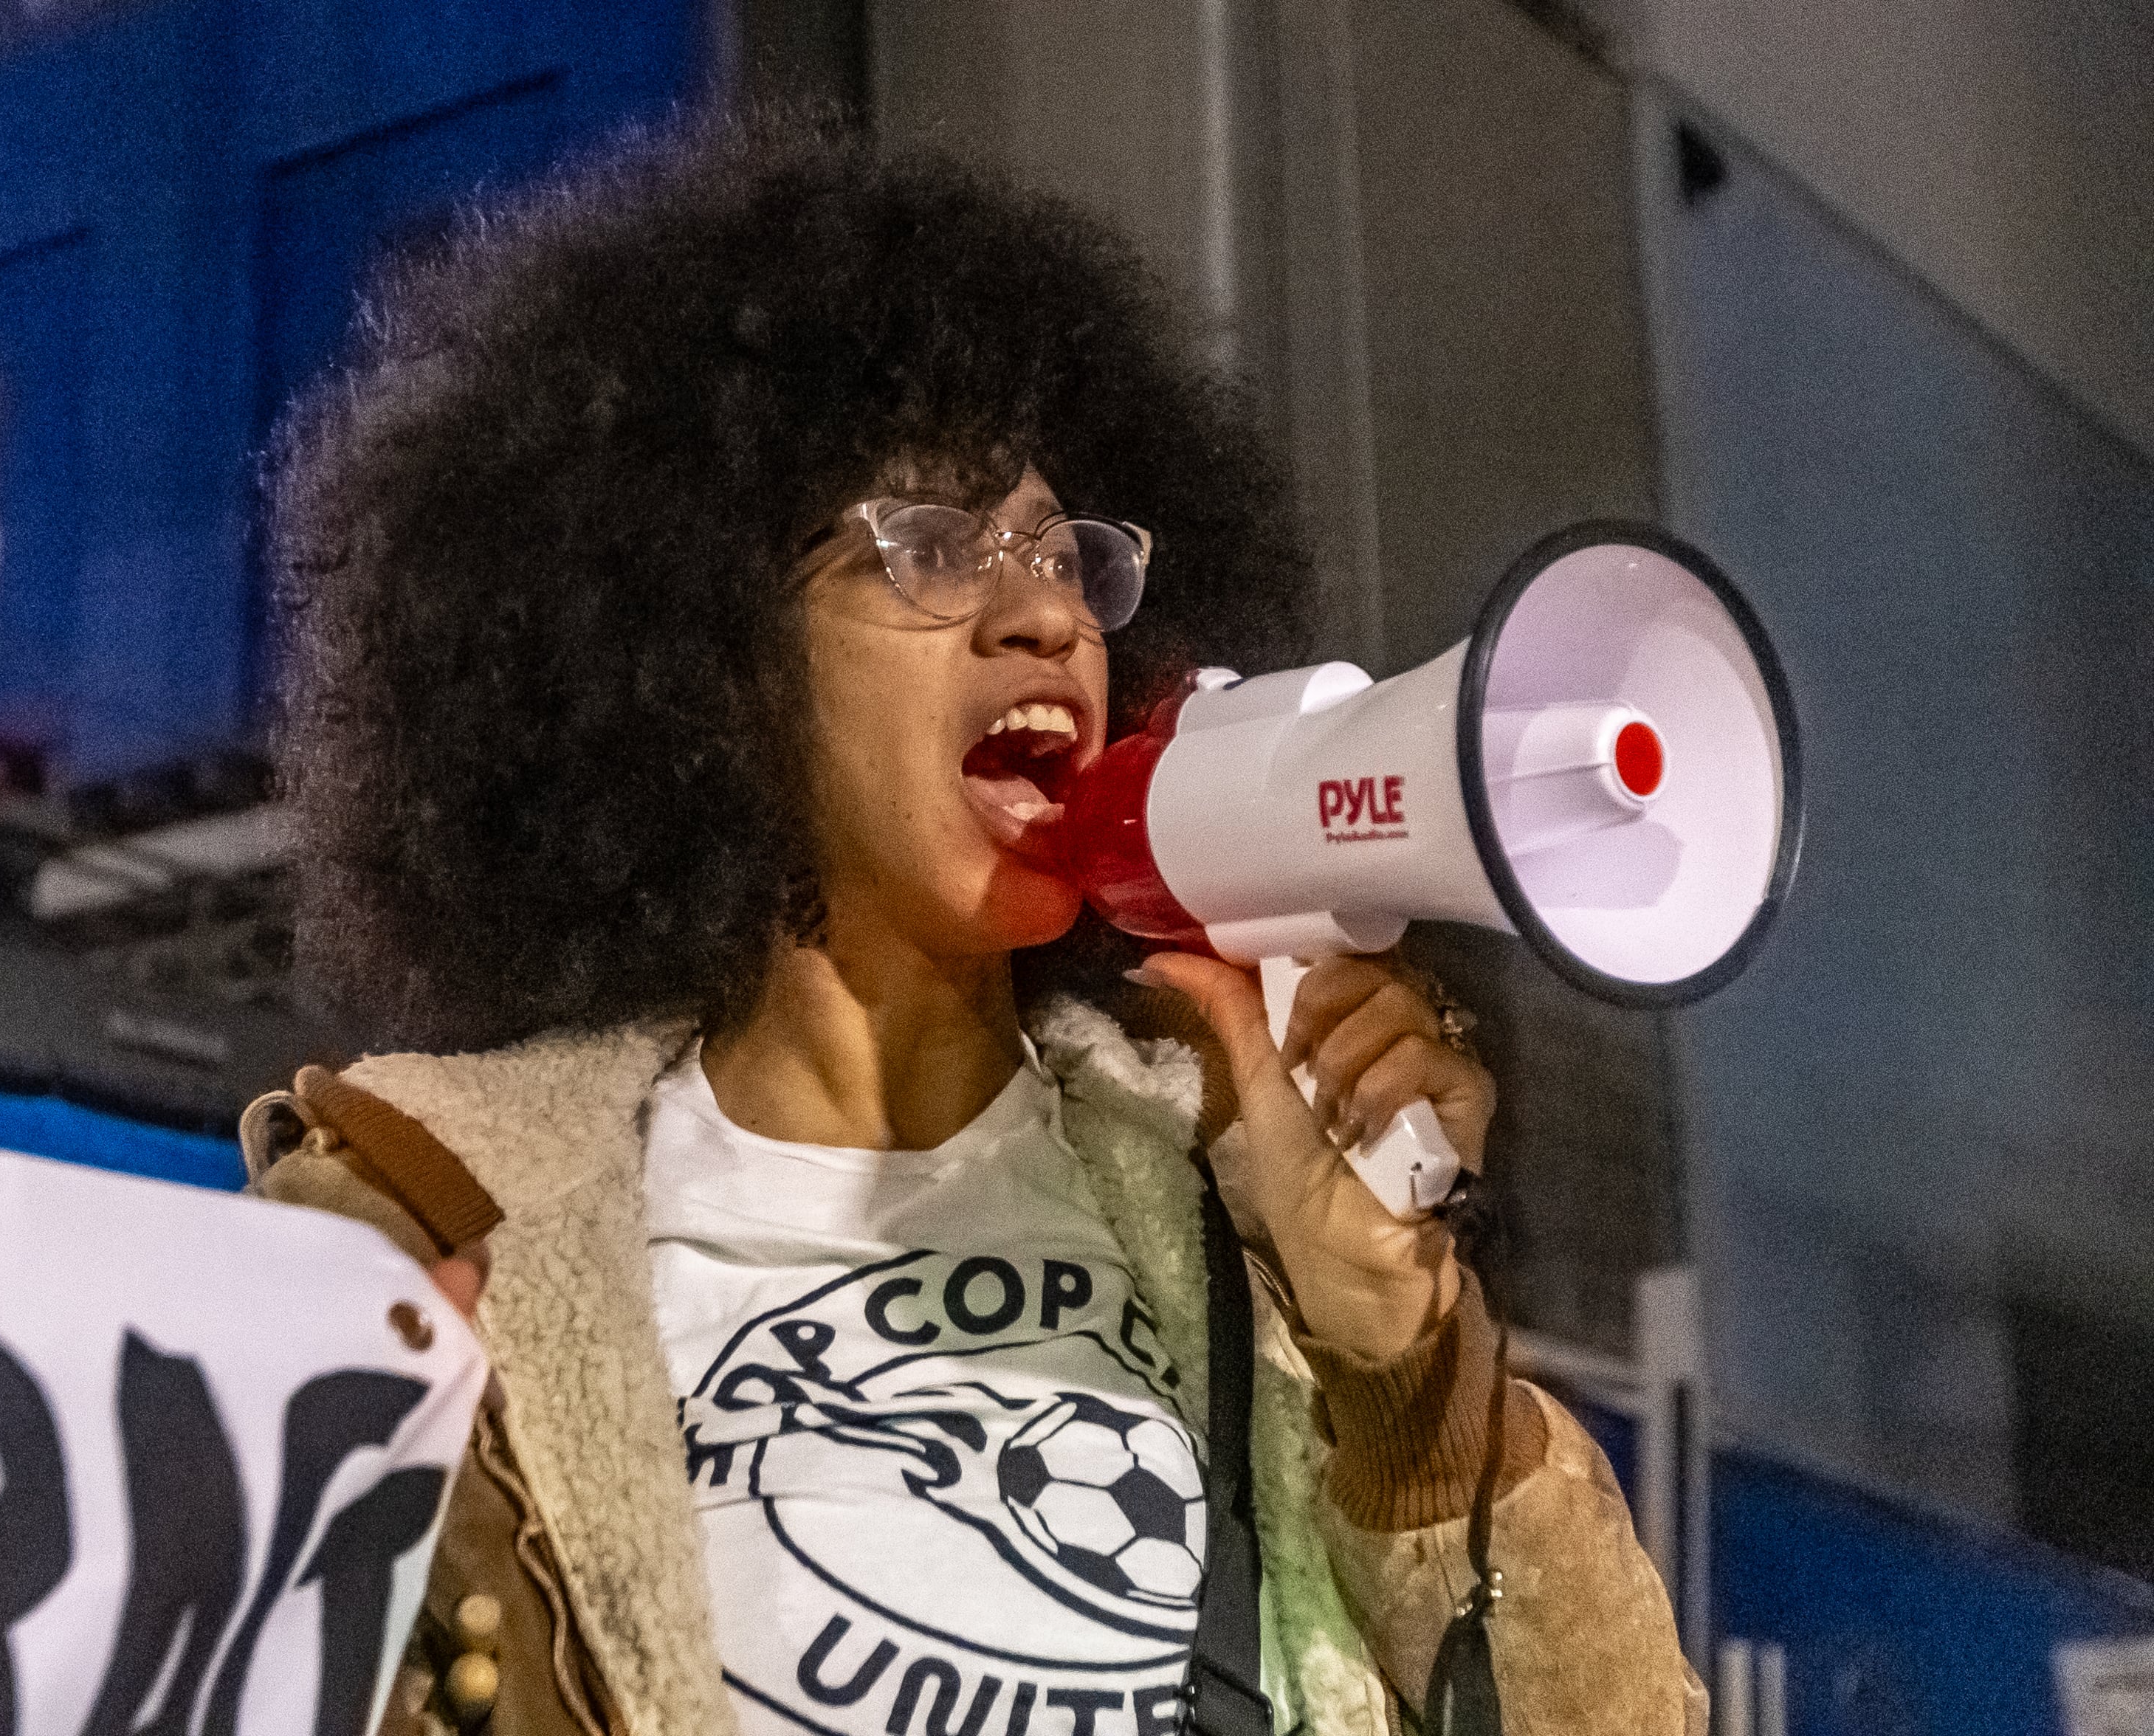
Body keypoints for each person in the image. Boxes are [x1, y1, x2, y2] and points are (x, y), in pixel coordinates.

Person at [249, 115, 1703, 1736]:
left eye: (1071, 556)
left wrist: (1405, 1375)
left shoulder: (1241, 1202)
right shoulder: (439, 1224)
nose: (1050, 616)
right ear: (704, 662)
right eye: (932, 548)